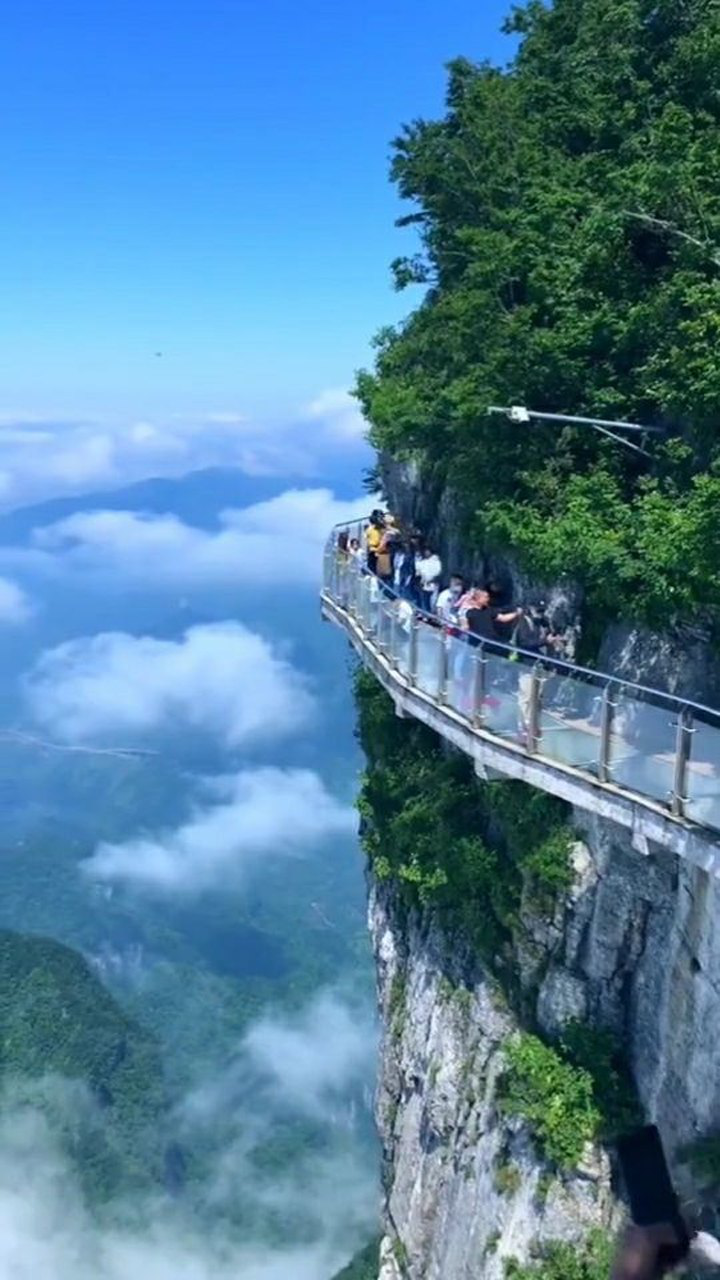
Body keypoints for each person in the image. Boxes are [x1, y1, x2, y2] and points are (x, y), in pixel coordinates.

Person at [416, 545, 442, 613]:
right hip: (424, 585)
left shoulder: (436, 561)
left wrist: (431, 580)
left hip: (433, 585)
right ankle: (425, 613)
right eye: (425, 551)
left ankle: (431, 614)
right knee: (425, 602)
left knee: (432, 602)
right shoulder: (423, 562)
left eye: (428, 551)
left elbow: (438, 574)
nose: (426, 553)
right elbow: (419, 572)